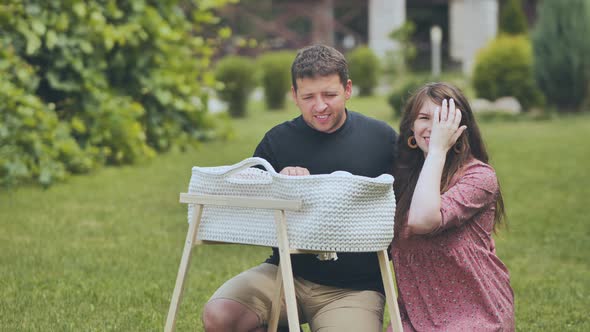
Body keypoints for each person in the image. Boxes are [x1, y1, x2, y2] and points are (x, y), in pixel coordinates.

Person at [201, 44, 398, 331]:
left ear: (348, 89)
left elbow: (409, 208)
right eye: (308, 97)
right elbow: (250, 207)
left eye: (330, 94)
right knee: (221, 316)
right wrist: (278, 184)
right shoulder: (277, 141)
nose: (320, 106)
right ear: (294, 95)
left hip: (354, 289)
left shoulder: (380, 139)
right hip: (285, 274)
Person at [387, 82, 514, 331]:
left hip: (477, 316)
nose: (433, 127)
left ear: (459, 127)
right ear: (411, 126)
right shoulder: (399, 179)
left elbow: (423, 220)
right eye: (424, 117)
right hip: (415, 318)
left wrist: (437, 151)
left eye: (443, 118)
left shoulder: (479, 177)